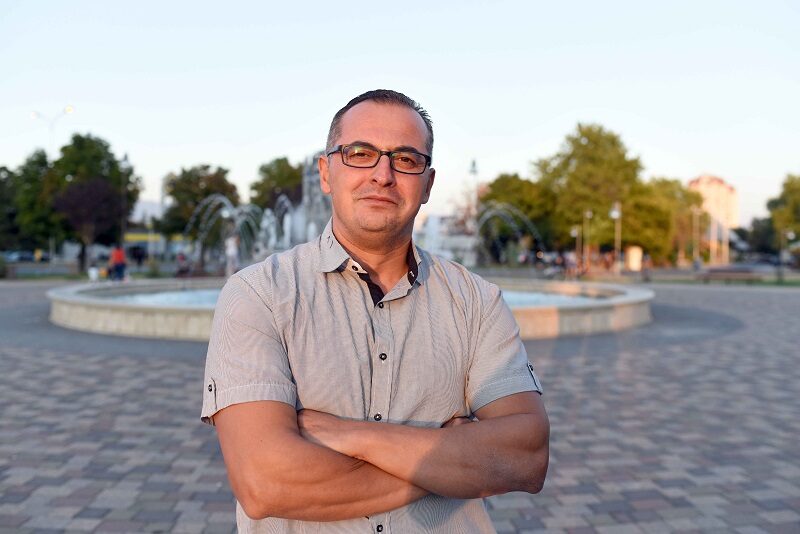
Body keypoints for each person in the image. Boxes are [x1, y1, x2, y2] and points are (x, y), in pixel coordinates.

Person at [201, 89, 549, 533]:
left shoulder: (477, 301)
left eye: (405, 159)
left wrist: (353, 436)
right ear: (326, 173)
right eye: (360, 154)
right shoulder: (258, 295)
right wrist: (453, 459)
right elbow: (265, 483)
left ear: (427, 184)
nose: (383, 175)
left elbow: (526, 457)